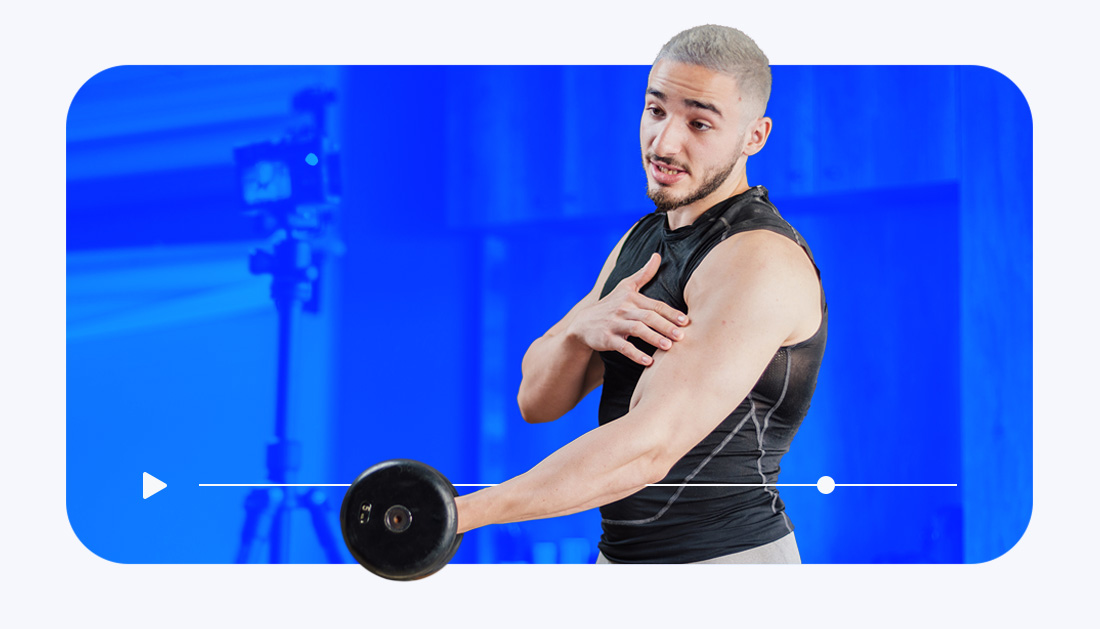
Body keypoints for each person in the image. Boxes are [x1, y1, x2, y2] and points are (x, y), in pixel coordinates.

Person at [454, 24, 827, 564]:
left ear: (755, 136)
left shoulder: (757, 257)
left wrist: (465, 514)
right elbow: (536, 399)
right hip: (622, 560)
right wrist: (583, 331)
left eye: (699, 122)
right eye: (656, 111)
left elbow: (650, 446)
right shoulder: (644, 238)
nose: (665, 142)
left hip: (728, 565)